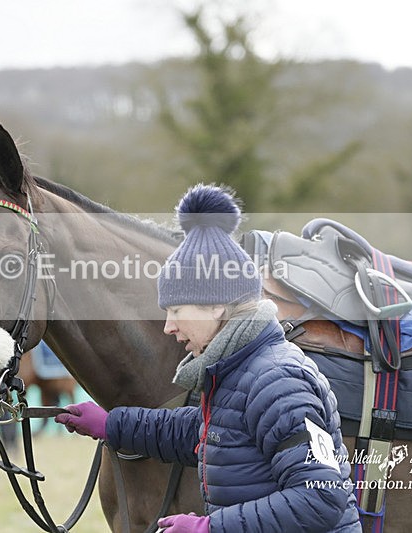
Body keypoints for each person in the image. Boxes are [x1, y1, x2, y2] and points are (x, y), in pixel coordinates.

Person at [55, 185, 360, 532]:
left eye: (176, 310)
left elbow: (321, 498)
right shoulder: (240, 372)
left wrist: (209, 528)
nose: (168, 326)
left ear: (216, 305)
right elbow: (200, 433)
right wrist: (112, 425)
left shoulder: (277, 381)